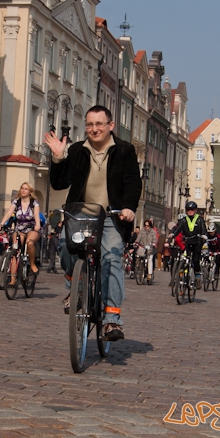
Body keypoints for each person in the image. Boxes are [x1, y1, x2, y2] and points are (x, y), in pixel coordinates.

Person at [44, 105, 142, 341]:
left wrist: (129, 207)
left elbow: (132, 183)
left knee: (111, 257)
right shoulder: (77, 150)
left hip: (111, 217)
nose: (94, 129)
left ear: (111, 125)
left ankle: (111, 319)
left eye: (99, 124)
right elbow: (59, 184)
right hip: (80, 215)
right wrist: (58, 158)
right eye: (90, 124)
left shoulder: (125, 151)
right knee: (65, 245)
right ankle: (74, 285)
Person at [0, 182, 41, 286]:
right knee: (15, 251)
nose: (23, 190)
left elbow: (36, 214)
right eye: (22, 188)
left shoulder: (34, 203)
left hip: (32, 228)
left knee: (30, 243)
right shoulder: (16, 202)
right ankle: (13, 279)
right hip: (19, 229)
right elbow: (9, 213)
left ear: (30, 192)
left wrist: (38, 224)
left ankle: (32, 264)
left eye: (26, 189)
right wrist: (1, 223)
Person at [171, 201, 208, 284]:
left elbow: (203, 229)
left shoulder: (199, 219)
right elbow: (179, 228)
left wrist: (204, 235)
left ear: (195, 210)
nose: (190, 211)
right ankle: (183, 274)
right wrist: (173, 234)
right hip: (187, 241)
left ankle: (197, 276)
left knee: (195, 259)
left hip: (197, 242)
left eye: (192, 209)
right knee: (184, 257)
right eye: (188, 209)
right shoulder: (184, 220)